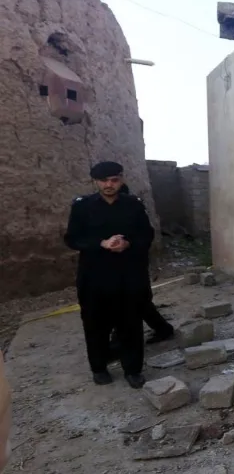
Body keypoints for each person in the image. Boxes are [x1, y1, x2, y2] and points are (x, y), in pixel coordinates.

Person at [64, 162, 154, 389]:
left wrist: (128, 243)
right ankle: (99, 367)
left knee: (130, 322)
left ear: (121, 180)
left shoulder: (133, 205)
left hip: (128, 274)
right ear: (95, 181)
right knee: (95, 324)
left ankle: (133, 370)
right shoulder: (82, 207)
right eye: (103, 181)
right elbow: (72, 239)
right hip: (94, 276)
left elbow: (147, 234)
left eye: (113, 180)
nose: (108, 185)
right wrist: (100, 243)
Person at [113, 184, 174, 345]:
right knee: (132, 302)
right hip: (117, 265)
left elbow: (146, 235)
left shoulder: (134, 211)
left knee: (135, 301)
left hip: (134, 263)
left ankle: (119, 342)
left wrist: (128, 244)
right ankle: (162, 329)